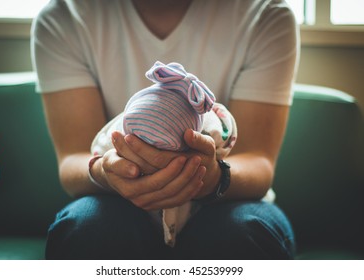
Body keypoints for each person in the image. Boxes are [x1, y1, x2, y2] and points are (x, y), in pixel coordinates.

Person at [31, 0, 299, 259]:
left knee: (242, 233)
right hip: (116, 202)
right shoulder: (65, 17)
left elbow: (258, 161)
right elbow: (73, 160)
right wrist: (107, 171)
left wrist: (211, 178)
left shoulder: (264, 13)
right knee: (87, 228)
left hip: (230, 199)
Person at [91, 60, 238, 247]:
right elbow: (227, 134)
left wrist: (215, 177)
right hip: (122, 202)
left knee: (243, 229)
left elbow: (259, 162)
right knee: (86, 224)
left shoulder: (210, 126)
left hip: (219, 200)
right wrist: (104, 171)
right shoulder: (120, 128)